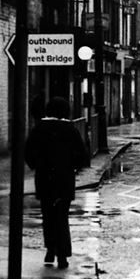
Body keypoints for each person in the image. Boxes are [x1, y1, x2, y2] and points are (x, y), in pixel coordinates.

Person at [25, 96, 88, 269]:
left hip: (45, 179)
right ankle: (63, 256)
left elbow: (28, 152)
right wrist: (71, 167)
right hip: (64, 180)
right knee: (62, 217)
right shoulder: (71, 129)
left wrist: (38, 165)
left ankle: (50, 250)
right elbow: (82, 155)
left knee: (48, 216)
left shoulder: (39, 128)